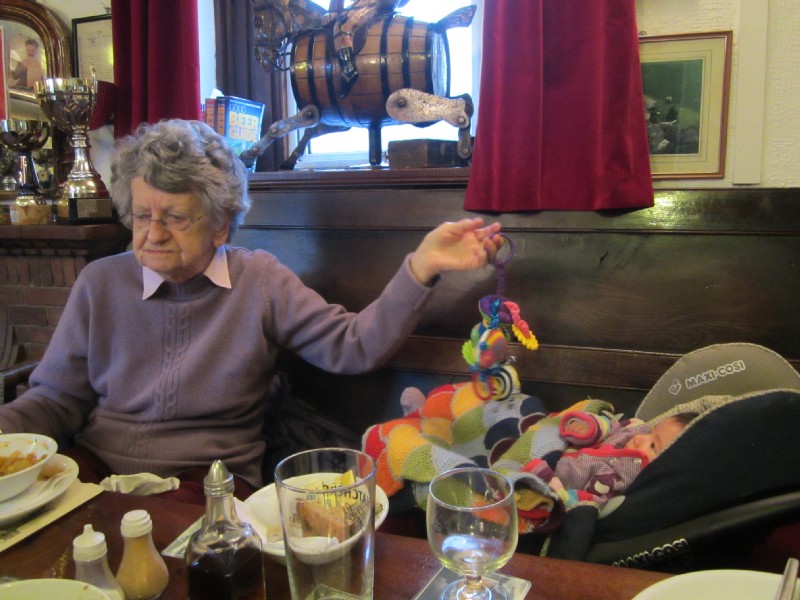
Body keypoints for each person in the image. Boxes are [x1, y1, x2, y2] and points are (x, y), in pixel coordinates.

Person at [0, 118, 503, 503]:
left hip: (208, 482)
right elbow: (56, 398)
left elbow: (353, 346)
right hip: (95, 468)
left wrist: (421, 267)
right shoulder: (100, 283)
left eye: (175, 218)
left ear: (220, 224)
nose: (153, 234)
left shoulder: (258, 280)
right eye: (142, 216)